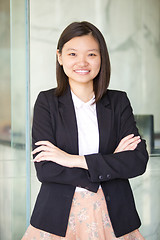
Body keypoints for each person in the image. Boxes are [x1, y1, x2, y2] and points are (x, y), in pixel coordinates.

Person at [22, 21, 149, 240]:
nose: (82, 62)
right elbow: (46, 169)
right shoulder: (47, 102)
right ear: (60, 57)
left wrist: (73, 160)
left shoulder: (118, 101)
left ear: (102, 59)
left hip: (114, 216)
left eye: (91, 54)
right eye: (72, 54)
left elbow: (137, 161)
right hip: (57, 218)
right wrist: (110, 162)